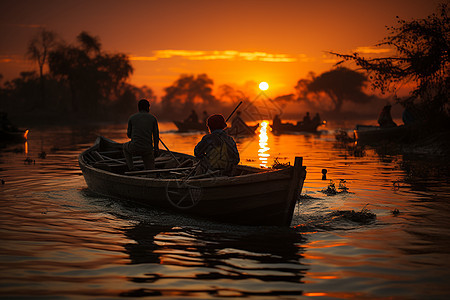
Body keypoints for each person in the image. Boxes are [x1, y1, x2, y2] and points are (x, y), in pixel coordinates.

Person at [123, 99, 159, 171]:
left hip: (135, 148)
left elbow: (129, 135)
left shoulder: (132, 118)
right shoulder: (153, 118)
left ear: (138, 108)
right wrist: (156, 149)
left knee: (124, 147)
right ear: (147, 108)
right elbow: (156, 137)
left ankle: (131, 168)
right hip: (147, 149)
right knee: (151, 170)